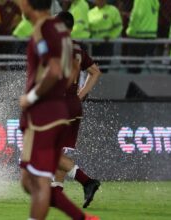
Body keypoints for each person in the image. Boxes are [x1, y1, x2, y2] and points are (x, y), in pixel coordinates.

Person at [17, 0, 98, 219]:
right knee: (29, 178)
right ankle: (80, 208)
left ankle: (84, 186)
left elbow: (52, 70)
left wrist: (32, 97)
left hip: (46, 113)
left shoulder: (46, 32)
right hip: (57, 108)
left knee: (38, 179)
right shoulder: (63, 38)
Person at [54, 11, 102, 209]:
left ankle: (87, 181)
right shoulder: (78, 49)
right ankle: (56, 189)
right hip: (74, 104)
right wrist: (80, 95)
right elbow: (96, 72)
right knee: (59, 150)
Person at [87, 0, 122, 72]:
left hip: (106, 44)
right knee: (93, 69)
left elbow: (119, 26)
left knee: (104, 68)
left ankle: (104, 82)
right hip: (93, 45)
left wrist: (111, 36)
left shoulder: (113, 10)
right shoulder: (90, 12)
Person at [125, 0, 159, 74]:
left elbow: (136, 15)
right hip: (151, 34)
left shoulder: (140, 1)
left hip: (138, 34)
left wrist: (129, 31)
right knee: (139, 63)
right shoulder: (155, 1)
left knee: (133, 65)